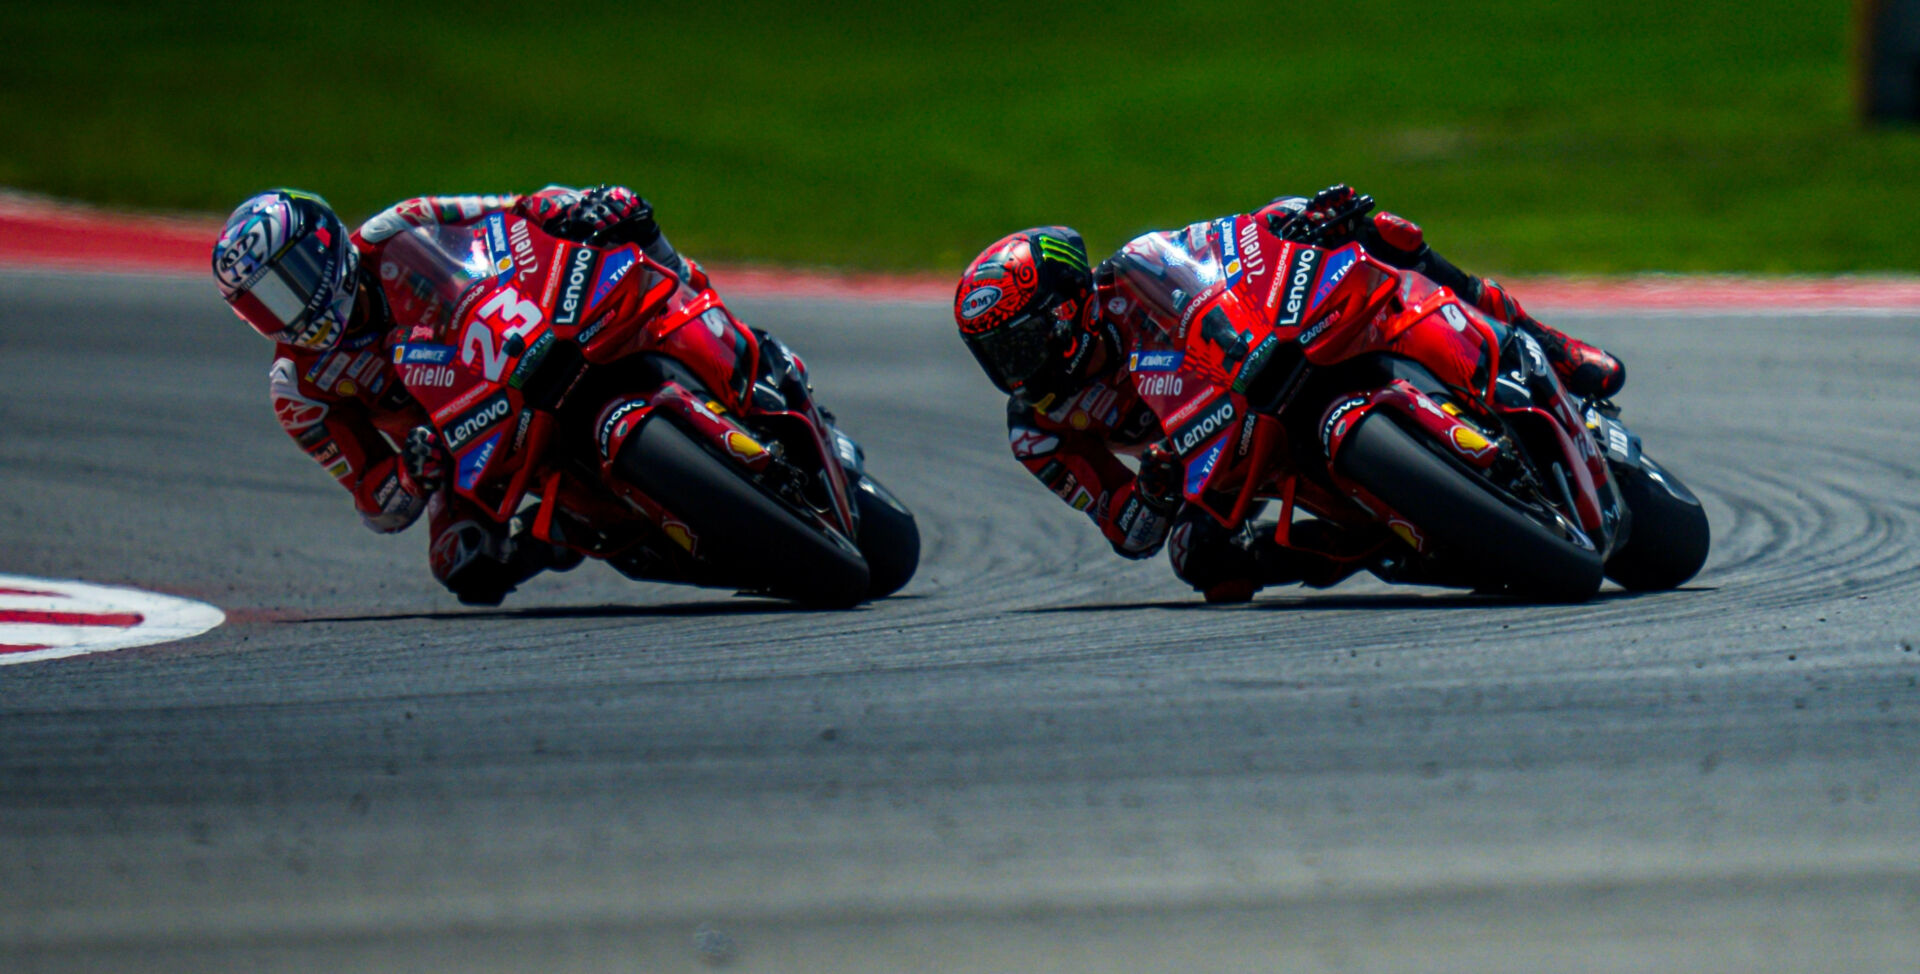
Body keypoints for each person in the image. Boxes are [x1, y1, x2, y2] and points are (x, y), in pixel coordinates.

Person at [952, 185, 1627, 602]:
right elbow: (1128, 532)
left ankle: (1547, 343)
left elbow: (1214, 278)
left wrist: (1305, 223)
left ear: (1067, 309)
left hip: (1266, 337)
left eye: (1022, 342)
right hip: (1230, 453)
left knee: (1381, 232)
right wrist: (1155, 492)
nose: (1015, 368)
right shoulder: (1037, 431)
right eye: (996, 354)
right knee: (1204, 563)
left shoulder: (1135, 271)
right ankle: (1380, 543)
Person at [211, 184, 704, 604]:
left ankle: (727, 336)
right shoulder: (298, 391)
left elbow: (513, 208)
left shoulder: (400, 225)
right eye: (264, 305)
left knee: (625, 223)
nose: (289, 310)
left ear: (323, 245)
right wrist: (411, 474)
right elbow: (373, 503)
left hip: (515, 334)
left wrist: (573, 208)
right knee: (462, 561)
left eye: (290, 281)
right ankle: (569, 530)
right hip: (464, 441)